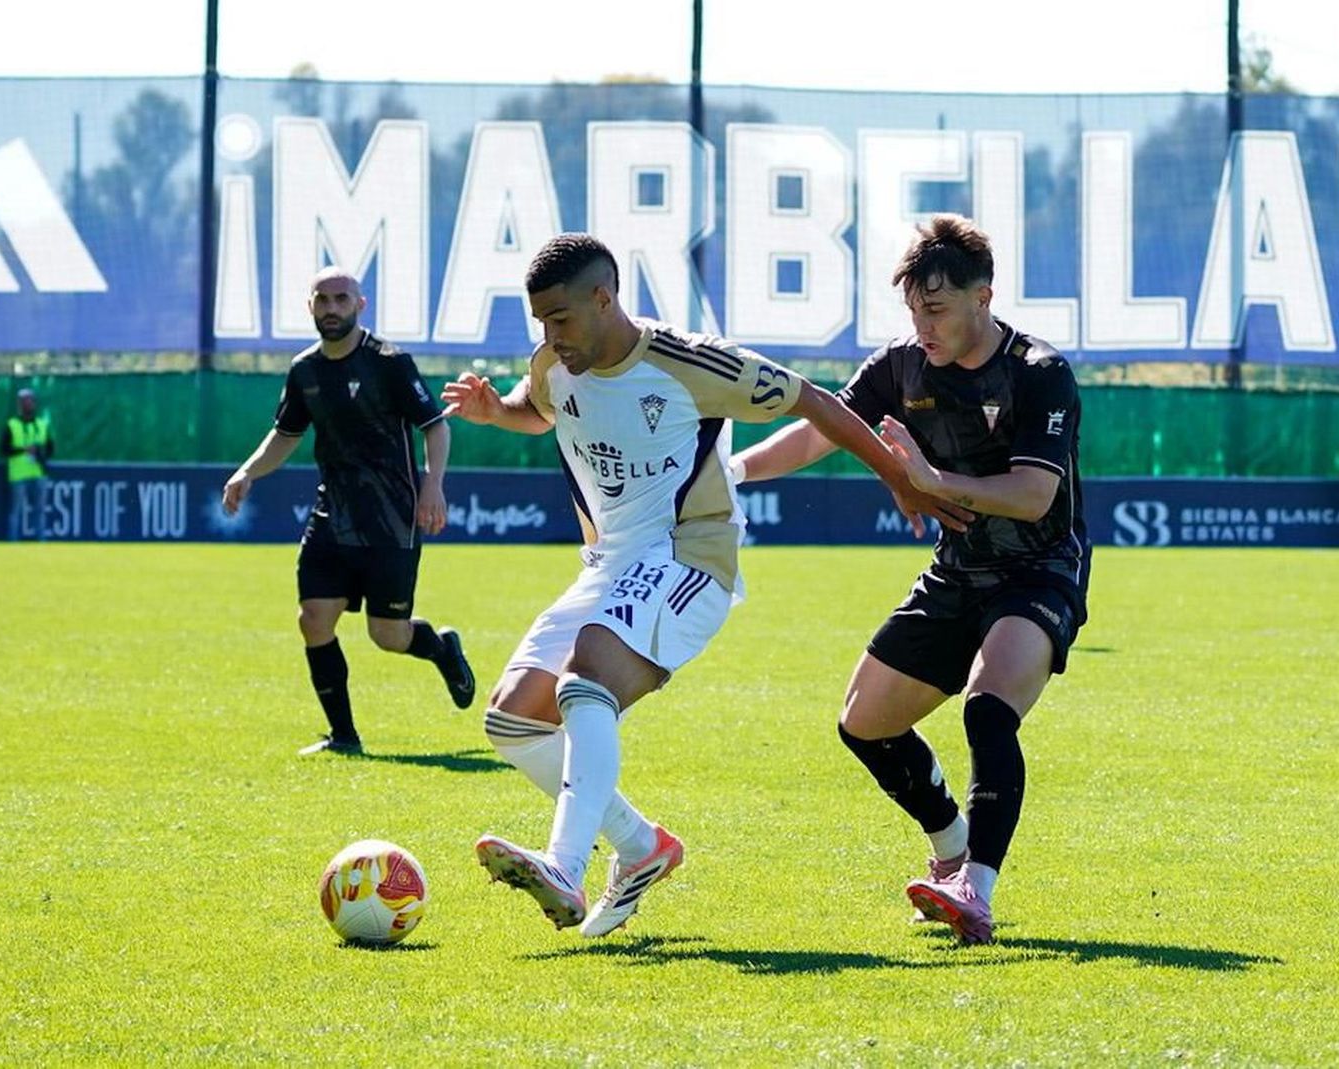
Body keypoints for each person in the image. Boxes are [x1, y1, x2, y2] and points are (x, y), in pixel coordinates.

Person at [441, 233, 950, 939]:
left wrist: (899, 476)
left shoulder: (689, 362)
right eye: (540, 323)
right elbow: (538, 405)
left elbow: (815, 402)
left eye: (559, 318)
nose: (550, 336)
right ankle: (641, 845)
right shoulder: (557, 359)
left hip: (691, 559)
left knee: (585, 674)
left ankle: (564, 863)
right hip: (608, 564)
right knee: (511, 720)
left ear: (603, 297)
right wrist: (497, 412)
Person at [732, 214, 1091, 945]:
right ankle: (951, 841)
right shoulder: (900, 365)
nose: (921, 324)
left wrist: (931, 479)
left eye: (937, 308)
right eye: (913, 309)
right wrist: (732, 472)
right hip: (958, 570)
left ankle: (976, 889)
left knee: (988, 710)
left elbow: (1033, 495)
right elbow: (821, 426)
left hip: (1038, 568)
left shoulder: (1038, 372)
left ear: (982, 298)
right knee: (864, 723)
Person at [222, 267, 476, 756]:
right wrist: (247, 473)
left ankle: (442, 649)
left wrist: (433, 486)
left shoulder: (389, 362)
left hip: (391, 519)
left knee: (388, 635)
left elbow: (435, 426)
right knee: (313, 619)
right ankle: (344, 737)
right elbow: (286, 435)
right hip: (331, 516)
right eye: (322, 299)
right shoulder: (305, 371)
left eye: (341, 299)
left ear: (361, 305)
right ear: (310, 306)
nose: (331, 308)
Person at [3, 387, 53, 541]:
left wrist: (38, 452)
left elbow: (50, 448)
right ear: (19, 404)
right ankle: (12, 544)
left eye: (30, 401)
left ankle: (40, 543)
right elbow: (5, 449)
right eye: (24, 401)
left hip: (38, 473)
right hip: (18, 475)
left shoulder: (42, 424)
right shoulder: (11, 425)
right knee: (15, 512)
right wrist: (23, 450)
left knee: (40, 511)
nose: (27, 404)